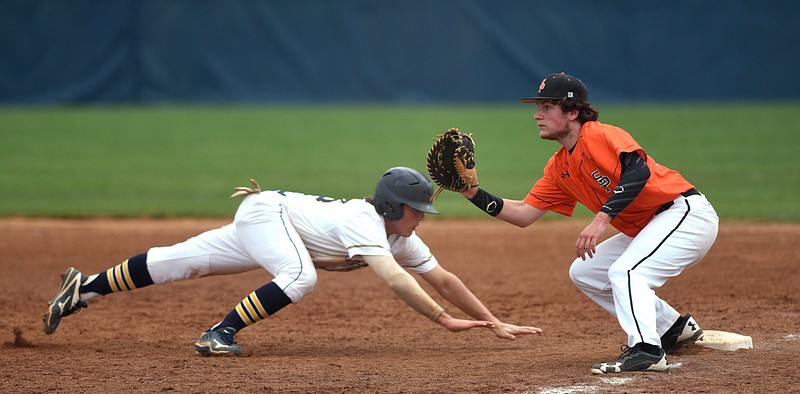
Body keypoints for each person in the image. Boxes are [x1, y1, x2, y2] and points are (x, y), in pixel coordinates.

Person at [43, 166, 542, 356]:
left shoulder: (400, 235)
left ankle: (82, 289)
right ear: (392, 206)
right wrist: (444, 321)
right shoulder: (365, 224)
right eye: (417, 209)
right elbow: (394, 281)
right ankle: (219, 334)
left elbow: (444, 278)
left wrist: (493, 322)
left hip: (276, 220)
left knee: (181, 261)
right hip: (268, 212)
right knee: (299, 275)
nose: (424, 217)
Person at [460, 73, 718, 374]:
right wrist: (473, 194)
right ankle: (672, 328)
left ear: (572, 111)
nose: (536, 115)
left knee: (626, 271)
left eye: (547, 107)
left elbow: (638, 173)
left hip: (684, 214)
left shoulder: (601, 135)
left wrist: (600, 221)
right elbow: (523, 213)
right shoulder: (560, 166)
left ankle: (647, 350)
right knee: (586, 272)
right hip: (654, 223)